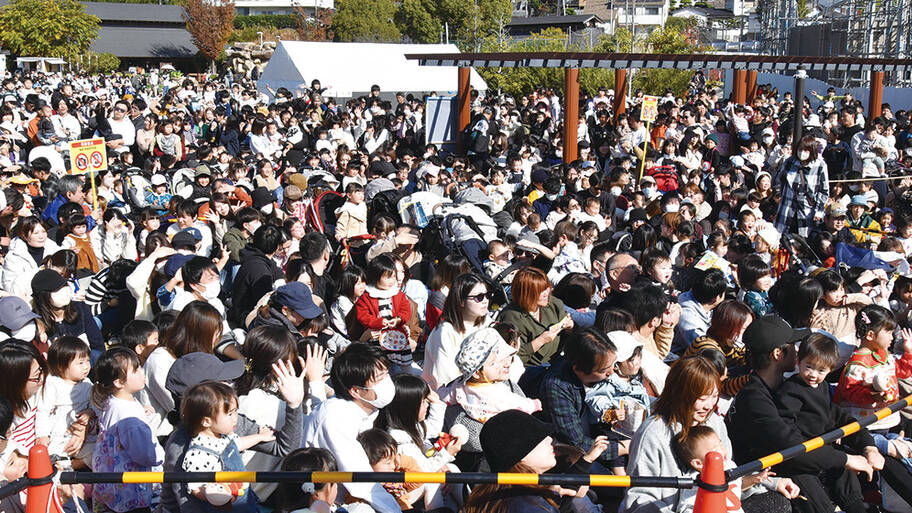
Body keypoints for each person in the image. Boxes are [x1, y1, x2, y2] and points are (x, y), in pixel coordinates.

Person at [728, 315, 876, 513]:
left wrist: (868, 446)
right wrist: (847, 460)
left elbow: (835, 415)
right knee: (812, 471)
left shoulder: (786, 385)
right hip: (763, 475)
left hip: (793, 460)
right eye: (792, 345)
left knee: (841, 465)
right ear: (777, 354)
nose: (798, 350)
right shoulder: (754, 399)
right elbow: (792, 448)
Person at [302, 343, 401, 513]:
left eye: (386, 374)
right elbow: (361, 481)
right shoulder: (338, 418)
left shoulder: (362, 408)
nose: (387, 381)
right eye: (379, 379)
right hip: (326, 503)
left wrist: (316, 383)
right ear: (356, 391)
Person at [178, 381, 274, 513]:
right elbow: (195, 487)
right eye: (229, 414)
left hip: (244, 500)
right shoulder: (199, 454)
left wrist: (260, 437)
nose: (235, 418)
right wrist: (213, 495)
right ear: (206, 421)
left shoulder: (222, 437)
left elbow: (238, 444)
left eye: (236, 412)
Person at [91, 347, 163, 513]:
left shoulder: (113, 402)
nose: (141, 372)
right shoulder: (129, 417)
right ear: (118, 382)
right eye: (135, 370)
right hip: (130, 489)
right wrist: (160, 457)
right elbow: (144, 454)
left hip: (112, 484)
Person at [422, 273, 491, 390]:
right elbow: (446, 378)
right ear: (461, 301)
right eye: (479, 297)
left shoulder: (487, 323)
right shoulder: (445, 331)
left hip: (482, 385)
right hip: (450, 392)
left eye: (487, 295)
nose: (485, 301)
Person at [498, 267, 574, 367]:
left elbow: (568, 335)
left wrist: (569, 327)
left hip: (558, 359)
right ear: (526, 294)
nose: (546, 293)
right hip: (532, 369)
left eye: (547, 288)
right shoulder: (511, 317)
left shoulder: (553, 304)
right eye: (540, 291)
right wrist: (540, 341)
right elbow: (512, 358)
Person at [35, 336, 93, 467]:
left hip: (83, 436)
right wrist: (42, 435)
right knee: (51, 457)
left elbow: (95, 403)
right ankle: (63, 469)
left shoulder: (87, 384)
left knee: (97, 450)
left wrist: (89, 412)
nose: (86, 367)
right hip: (59, 436)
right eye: (80, 363)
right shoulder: (53, 383)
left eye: (88, 361)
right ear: (61, 367)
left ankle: (73, 466)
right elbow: (43, 410)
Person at [353, 254, 413, 370]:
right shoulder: (367, 297)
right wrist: (378, 322)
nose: (392, 281)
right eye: (388, 277)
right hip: (377, 338)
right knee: (380, 366)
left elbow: (405, 310)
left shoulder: (398, 294)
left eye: (394, 276)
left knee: (405, 366)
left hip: (397, 337)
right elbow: (363, 316)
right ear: (376, 277)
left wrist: (399, 319)